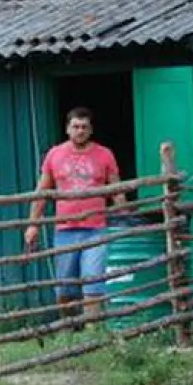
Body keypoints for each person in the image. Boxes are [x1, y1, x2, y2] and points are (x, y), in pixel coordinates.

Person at [25, 107, 125, 321]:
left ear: (91, 130)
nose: (80, 131)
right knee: (65, 288)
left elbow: (117, 192)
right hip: (65, 230)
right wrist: (33, 225)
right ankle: (69, 329)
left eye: (84, 127)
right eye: (75, 126)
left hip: (96, 229)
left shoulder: (104, 154)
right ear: (67, 129)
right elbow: (42, 191)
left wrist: (123, 218)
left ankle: (91, 331)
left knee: (93, 282)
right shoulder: (55, 154)